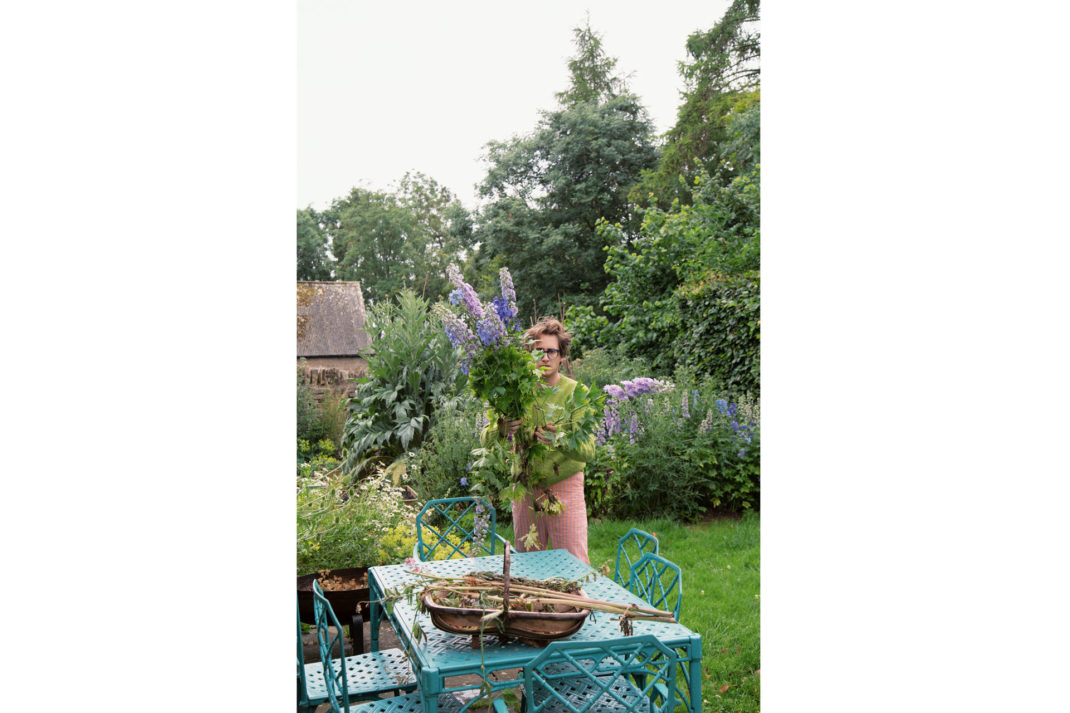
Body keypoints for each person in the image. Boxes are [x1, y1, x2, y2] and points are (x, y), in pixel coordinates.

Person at [480, 317, 595, 564]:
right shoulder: (517, 391)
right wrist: (502, 428)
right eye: (538, 351)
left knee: (573, 562)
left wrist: (561, 439)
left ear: (562, 357)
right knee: (527, 565)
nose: (544, 357)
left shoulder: (576, 393)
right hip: (525, 487)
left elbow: (588, 451)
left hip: (563, 486)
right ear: (529, 355)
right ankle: (532, 604)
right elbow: (485, 440)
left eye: (551, 351)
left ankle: (578, 605)